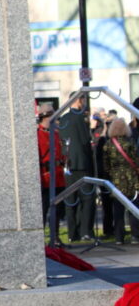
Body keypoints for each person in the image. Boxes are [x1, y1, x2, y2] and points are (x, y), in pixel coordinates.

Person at [59, 93, 95, 242]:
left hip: (68, 164)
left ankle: (72, 233)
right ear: (79, 100)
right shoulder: (80, 118)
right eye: (84, 100)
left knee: (70, 200)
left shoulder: (64, 118)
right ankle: (85, 231)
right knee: (87, 199)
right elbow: (86, 140)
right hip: (81, 164)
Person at [103, 118, 139, 245]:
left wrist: (112, 172)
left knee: (118, 209)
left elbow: (105, 165)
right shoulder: (130, 142)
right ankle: (135, 235)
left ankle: (119, 237)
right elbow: (136, 159)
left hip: (116, 180)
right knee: (133, 207)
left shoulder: (107, 145)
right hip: (131, 179)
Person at [36, 105, 66, 235]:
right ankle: (40, 239)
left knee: (58, 209)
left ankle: (56, 237)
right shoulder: (37, 134)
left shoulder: (56, 134)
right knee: (43, 210)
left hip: (58, 176)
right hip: (45, 177)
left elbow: (60, 153)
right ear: (46, 117)